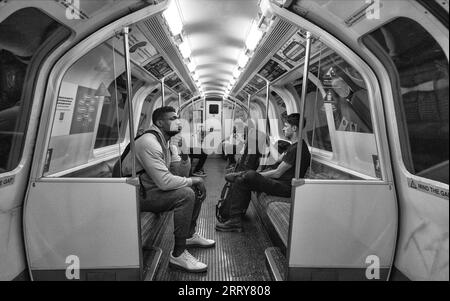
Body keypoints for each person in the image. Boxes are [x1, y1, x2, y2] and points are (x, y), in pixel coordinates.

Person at [121, 106, 215, 273]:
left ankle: (189, 235)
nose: (177, 121)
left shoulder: (166, 142)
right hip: (132, 195)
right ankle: (178, 255)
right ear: (159, 122)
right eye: (172, 118)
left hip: (150, 189)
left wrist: (185, 155)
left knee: (192, 188)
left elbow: (178, 174)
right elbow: (165, 182)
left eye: (177, 117)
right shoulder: (149, 142)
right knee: (187, 194)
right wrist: (194, 180)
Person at [215, 113, 311, 232]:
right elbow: (278, 159)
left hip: (285, 187)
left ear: (294, 128)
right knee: (243, 180)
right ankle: (236, 218)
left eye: (286, 126)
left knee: (249, 175)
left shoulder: (298, 149)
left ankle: (241, 177)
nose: (283, 128)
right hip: (279, 182)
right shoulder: (292, 147)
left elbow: (277, 173)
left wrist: (257, 175)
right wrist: (268, 144)